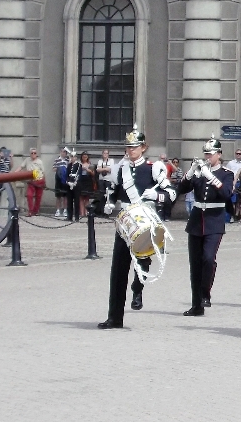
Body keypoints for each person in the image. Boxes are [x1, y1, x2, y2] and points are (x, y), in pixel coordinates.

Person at [98, 125, 177, 329]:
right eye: (128, 147)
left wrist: (158, 196)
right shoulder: (120, 169)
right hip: (125, 223)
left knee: (142, 263)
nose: (130, 150)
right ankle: (114, 317)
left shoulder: (154, 168)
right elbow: (113, 191)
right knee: (118, 270)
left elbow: (171, 194)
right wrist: (108, 203)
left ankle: (138, 289)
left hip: (144, 223)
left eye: (135, 146)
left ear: (143, 147)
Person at [176, 136, 234, 317]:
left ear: (219, 154)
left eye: (211, 154)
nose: (207, 157)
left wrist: (212, 177)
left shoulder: (226, 173)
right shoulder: (199, 172)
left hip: (214, 221)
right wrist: (191, 172)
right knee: (195, 263)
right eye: (206, 154)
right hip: (196, 221)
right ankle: (196, 304)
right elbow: (182, 189)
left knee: (208, 258)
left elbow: (226, 194)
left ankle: (205, 294)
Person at [18, 148, 46, 216]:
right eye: (32, 153)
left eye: (35, 153)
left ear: (36, 154)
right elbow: (21, 166)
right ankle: (30, 211)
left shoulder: (39, 162)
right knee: (29, 195)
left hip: (39, 180)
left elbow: (43, 172)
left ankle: (36, 211)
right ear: (30, 154)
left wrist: (44, 182)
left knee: (38, 197)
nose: (33, 154)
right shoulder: (27, 160)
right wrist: (15, 173)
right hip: (31, 181)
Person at [53, 148, 70, 218]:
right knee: (58, 196)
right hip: (59, 179)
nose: (64, 153)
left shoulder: (68, 160)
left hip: (65, 179)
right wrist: (60, 169)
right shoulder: (57, 160)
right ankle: (58, 210)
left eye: (65, 152)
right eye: (63, 152)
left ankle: (65, 210)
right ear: (60, 152)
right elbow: (53, 169)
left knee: (65, 196)